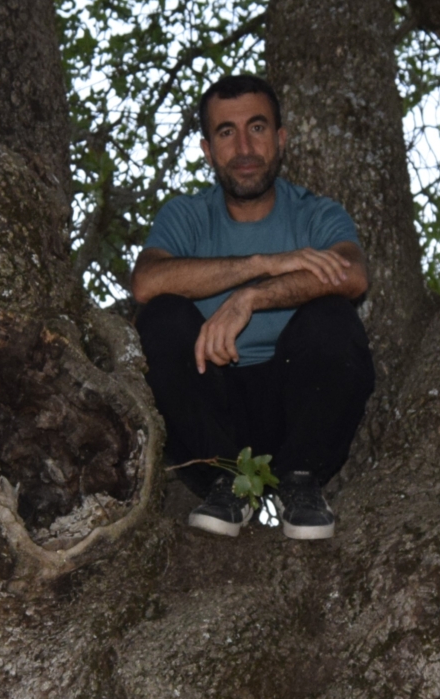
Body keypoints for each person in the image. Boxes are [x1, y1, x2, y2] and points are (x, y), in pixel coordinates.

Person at [130, 73, 375, 539]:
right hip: (210, 410)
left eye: (257, 128)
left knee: (333, 317)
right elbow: (146, 282)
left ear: (280, 139)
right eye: (226, 132)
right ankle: (228, 484)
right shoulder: (187, 215)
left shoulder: (315, 213)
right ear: (207, 150)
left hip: (297, 406)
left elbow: (352, 274)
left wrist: (252, 297)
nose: (244, 147)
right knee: (160, 317)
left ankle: (300, 482)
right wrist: (264, 262)